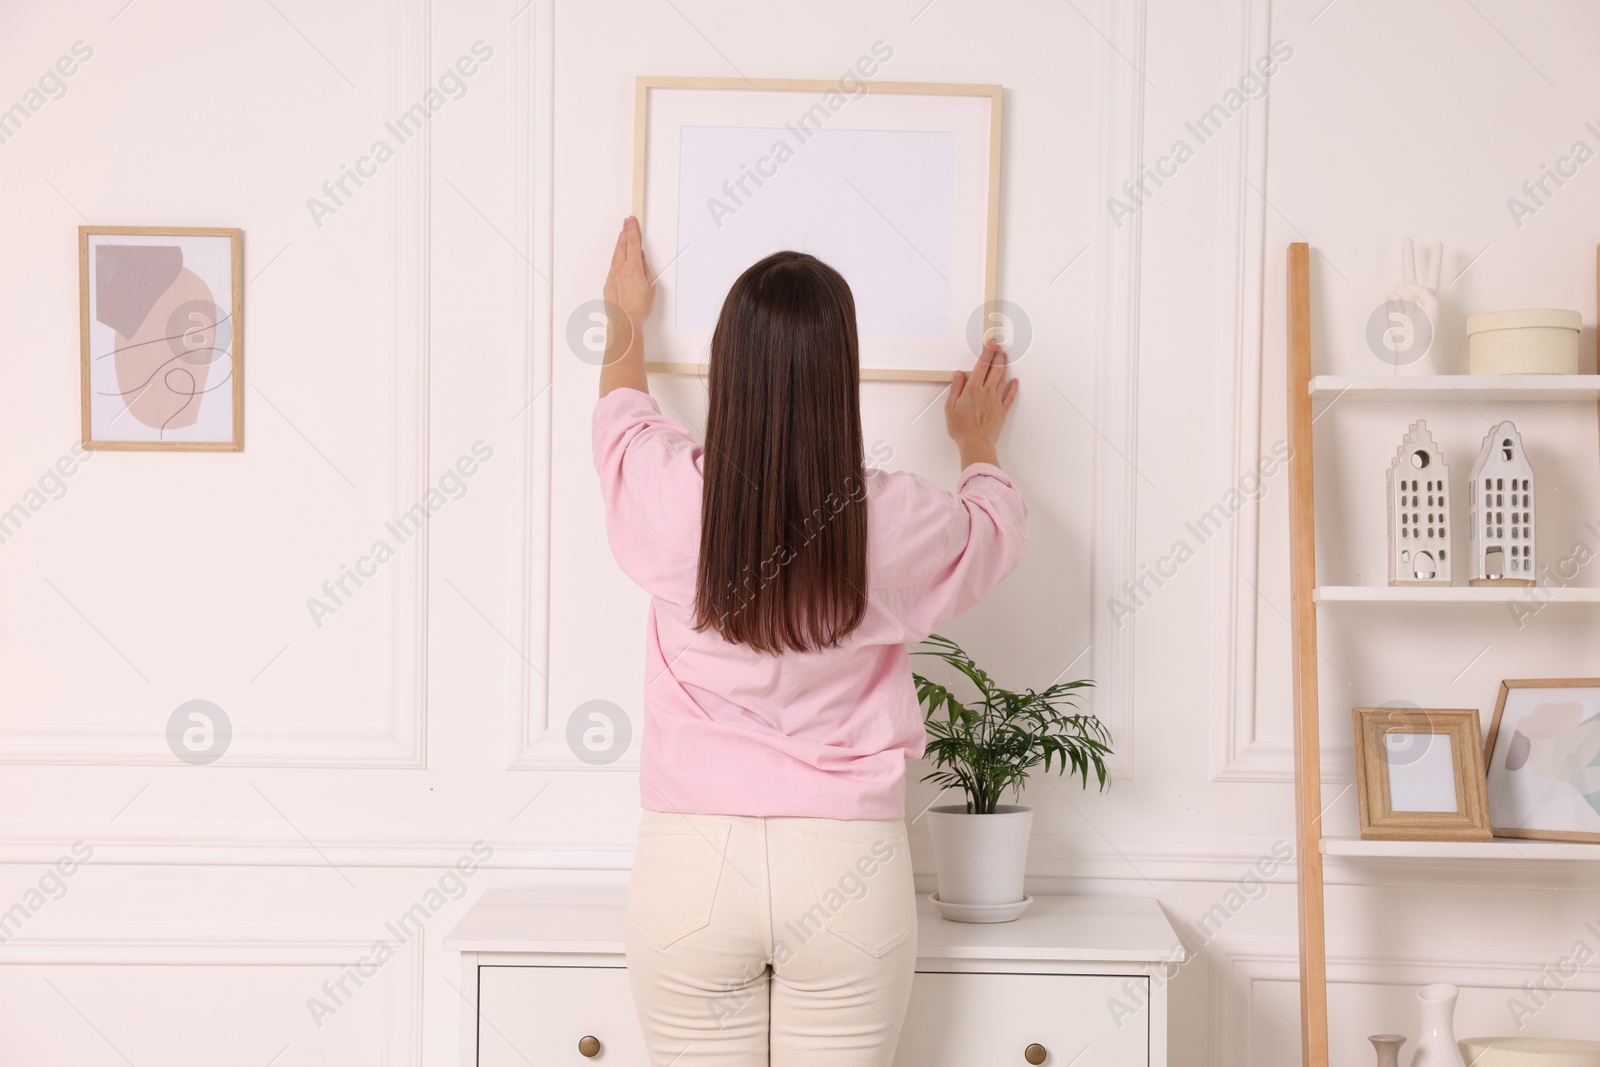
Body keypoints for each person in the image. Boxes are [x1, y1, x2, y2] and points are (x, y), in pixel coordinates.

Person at [591, 215, 1026, 1066]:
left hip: (691, 864)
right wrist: (977, 441)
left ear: (728, 367)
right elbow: (995, 531)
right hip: (847, 864)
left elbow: (620, 412)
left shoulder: (673, 497)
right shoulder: (892, 520)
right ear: (840, 377)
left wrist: (626, 315)